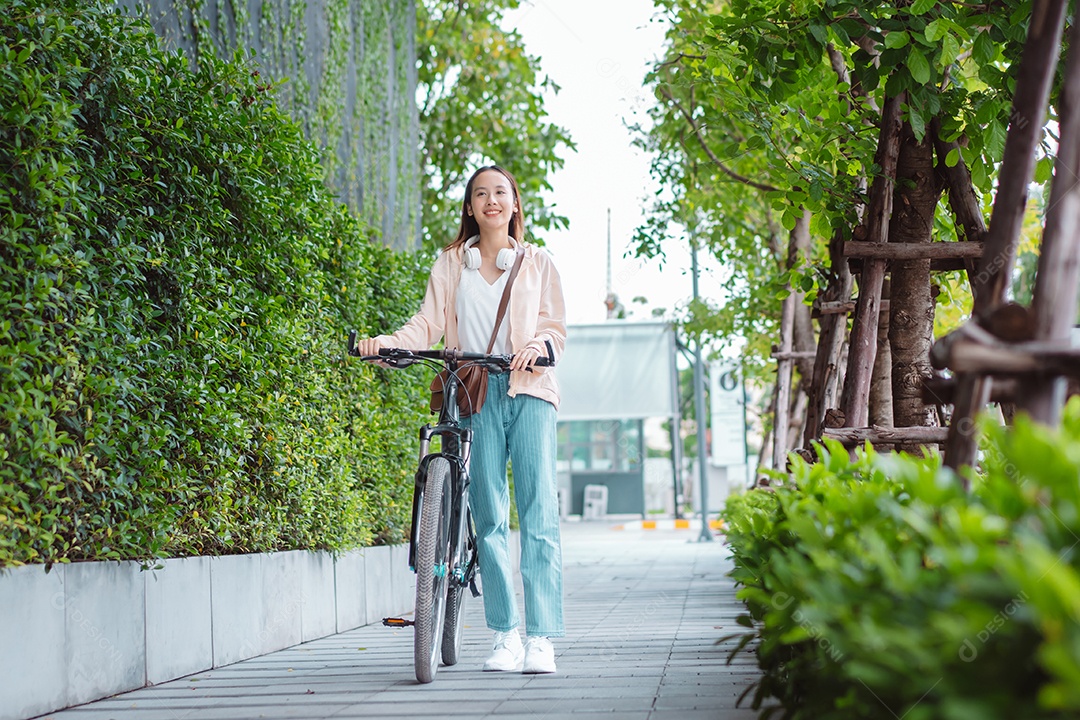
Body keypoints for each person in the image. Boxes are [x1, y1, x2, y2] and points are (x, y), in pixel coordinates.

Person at [354, 165, 567, 674]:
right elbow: (425, 323)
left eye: (500, 192)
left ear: (515, 203)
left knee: (539, 513)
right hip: (475, 391)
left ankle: (541, 638)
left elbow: (554, 325)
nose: (491, 201)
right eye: (480, 194)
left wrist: (538, 344)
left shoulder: (538, 263)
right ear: (469, 207)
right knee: (490, 514)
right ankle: (506, 635)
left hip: (530, 388)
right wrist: (388, 343)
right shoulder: (452, 263)